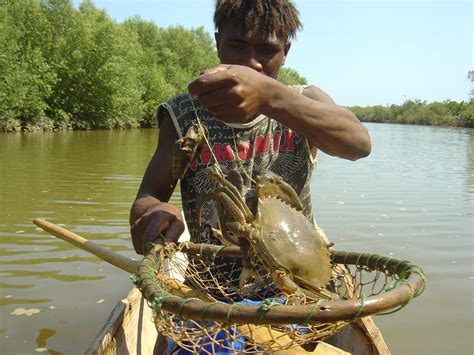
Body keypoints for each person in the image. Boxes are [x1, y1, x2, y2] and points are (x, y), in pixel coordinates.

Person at [130, 0, 371, 258]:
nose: (251, 63)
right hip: (212, 279)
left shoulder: (305, 101)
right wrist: (155, 212)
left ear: (285, 52)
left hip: (298, 273)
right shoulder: (183, 113)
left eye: (267, 50)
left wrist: (268, 96)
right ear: (218, 43)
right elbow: (149, 194)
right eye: (237, 46)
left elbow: (359, 145)